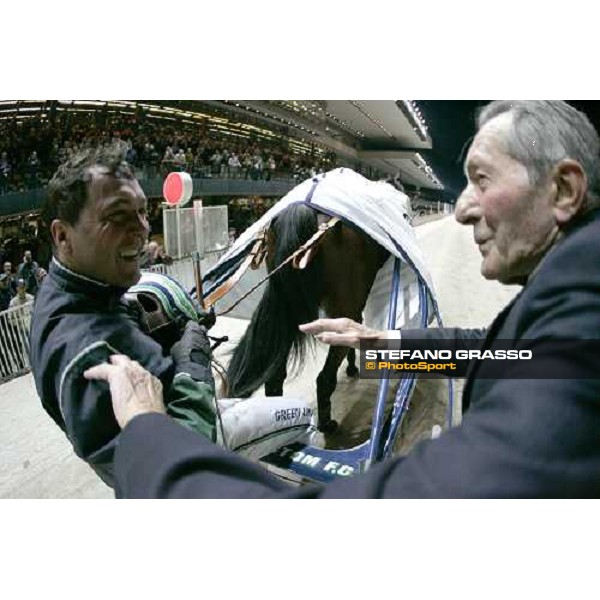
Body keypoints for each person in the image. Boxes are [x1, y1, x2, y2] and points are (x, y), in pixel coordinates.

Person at [85, 100, 600, 498]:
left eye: (481, 179)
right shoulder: (572, 301)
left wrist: (149, 438)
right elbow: (508, 350)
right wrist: (381, 342)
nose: (461, 208)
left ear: (563, 190)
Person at [30, 143, 219, 487]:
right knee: (297, 415)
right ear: (62, 235)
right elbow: (170, 479)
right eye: (118, 215)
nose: (142, 228)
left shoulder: (82, 288)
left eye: (143, 212)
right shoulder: (89, 353)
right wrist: (193, 371)